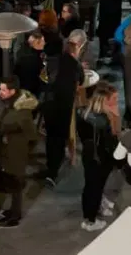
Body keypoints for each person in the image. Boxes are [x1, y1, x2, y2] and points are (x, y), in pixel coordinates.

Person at [0, 77, 39, 229]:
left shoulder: (23, 111)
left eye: (3, 90)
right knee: (11, 182)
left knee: (16, 184)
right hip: (7, 150)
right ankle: (12, 210)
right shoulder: (7, 103)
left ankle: (15, 216)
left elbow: (32, 135)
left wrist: (24, 150)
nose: (0, 92)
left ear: (12, 91)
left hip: (16, 152)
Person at [77, 84, 122, 231]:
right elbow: (112, 139)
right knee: (95, 188)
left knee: (90, 186)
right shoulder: (104, 119)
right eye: (114, 98)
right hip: (101, 158)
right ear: (105, 100)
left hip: (88, 155)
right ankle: (91, 220)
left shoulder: (83, 113)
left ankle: (93, 211)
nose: (117, 101)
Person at [44, 39, 85, 187]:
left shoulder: (54, 61)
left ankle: (50, 165)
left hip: (49, 103)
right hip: (63, 105)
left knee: (50, 136)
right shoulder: (76, 65)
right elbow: (82, 80)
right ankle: (53, 171)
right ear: (75, 51)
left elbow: (46, 76)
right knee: (60, 137)